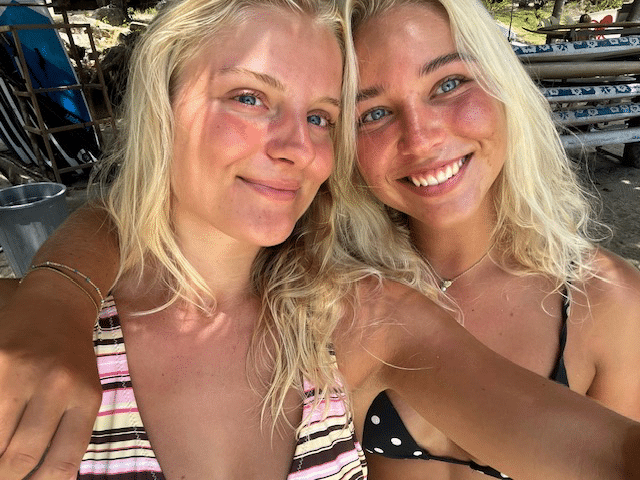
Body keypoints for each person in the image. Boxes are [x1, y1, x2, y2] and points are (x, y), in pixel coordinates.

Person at [1, 1, 640, 480]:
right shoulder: (33, 335)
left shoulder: (358, 317)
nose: (296, 146)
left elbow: (602, 452)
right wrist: (59, 293)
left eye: (319, 117)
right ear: (159, 107)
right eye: (249, 97)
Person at [345, 0, 640, 478]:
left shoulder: (609, 299)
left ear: (504, 85)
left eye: (448, 84)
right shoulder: (332, 297)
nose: (420, 139)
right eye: (373, 113)